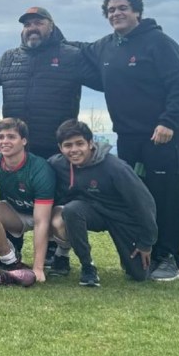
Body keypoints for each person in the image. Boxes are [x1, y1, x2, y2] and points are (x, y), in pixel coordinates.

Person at [80, 0, 179, 281]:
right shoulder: (105, 46)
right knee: (134, 197)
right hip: (128, 139)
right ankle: (146, 253)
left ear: (137, 12)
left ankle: (170, 258)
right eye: (111, 10)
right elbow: (77, 49)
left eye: (122, 8)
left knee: (165, 197)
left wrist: (168, 121)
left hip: (162, 135)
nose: (116, 13)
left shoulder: (160, 43)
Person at [0, 7, 99, 159]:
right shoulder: (9, 58)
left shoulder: (71, 55)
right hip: (19, 148)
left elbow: (104, 82)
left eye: (38, 23)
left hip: (56, 149)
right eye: (27, 25)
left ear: (51, 26)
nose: (32, 28)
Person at [48, 120, 158, 286]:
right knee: (71, 210)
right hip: (90, 213)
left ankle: (134, 257)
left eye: (80, 143)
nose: (74, 150)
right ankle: (87, 266)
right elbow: (34, 168)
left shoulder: (116, 167)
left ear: (91, 143)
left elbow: (145, 203)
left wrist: (146, 242)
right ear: (60, 148)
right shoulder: (57, 164)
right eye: (68, 145)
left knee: (139, 274)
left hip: (121, 217)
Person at [0, 118, 56, 282]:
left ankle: (61, 255)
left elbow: (41, 221)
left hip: (46, 216)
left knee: (62, 222)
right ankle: (10, 258)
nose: (5, 141)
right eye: (1, 137)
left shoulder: (39, 168)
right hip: (17, 214)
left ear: (24, 141)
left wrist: (37, 268)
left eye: (11, 137)